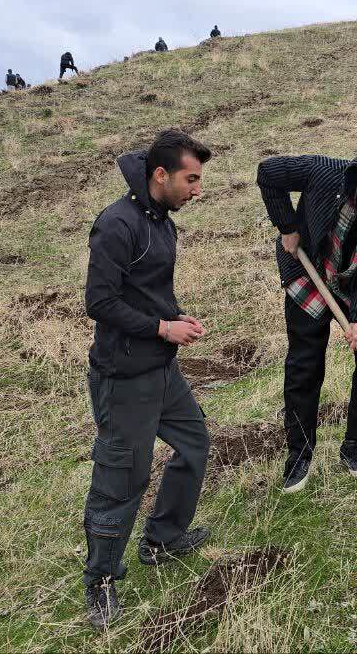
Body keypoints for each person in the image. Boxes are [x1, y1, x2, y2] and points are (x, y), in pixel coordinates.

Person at [81, 128, 214, 630]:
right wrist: (162, 327)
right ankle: (100, 581)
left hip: (161, 368)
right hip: (123, 377)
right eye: (191, 179)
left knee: (194, 443)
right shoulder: (117, 224)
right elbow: (100, 302)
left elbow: (149, 292)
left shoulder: (162, 223)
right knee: (122, 478)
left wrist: (176, 318)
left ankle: (163, 539)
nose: (197, 190)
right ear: (161, 175)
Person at [257, 138, 357, 494]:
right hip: (310, 270)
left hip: (355, 282)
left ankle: (355, 443)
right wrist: (287, 226)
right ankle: (299, 453)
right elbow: (268, 173)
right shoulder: (324, 172)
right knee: (304, 363)